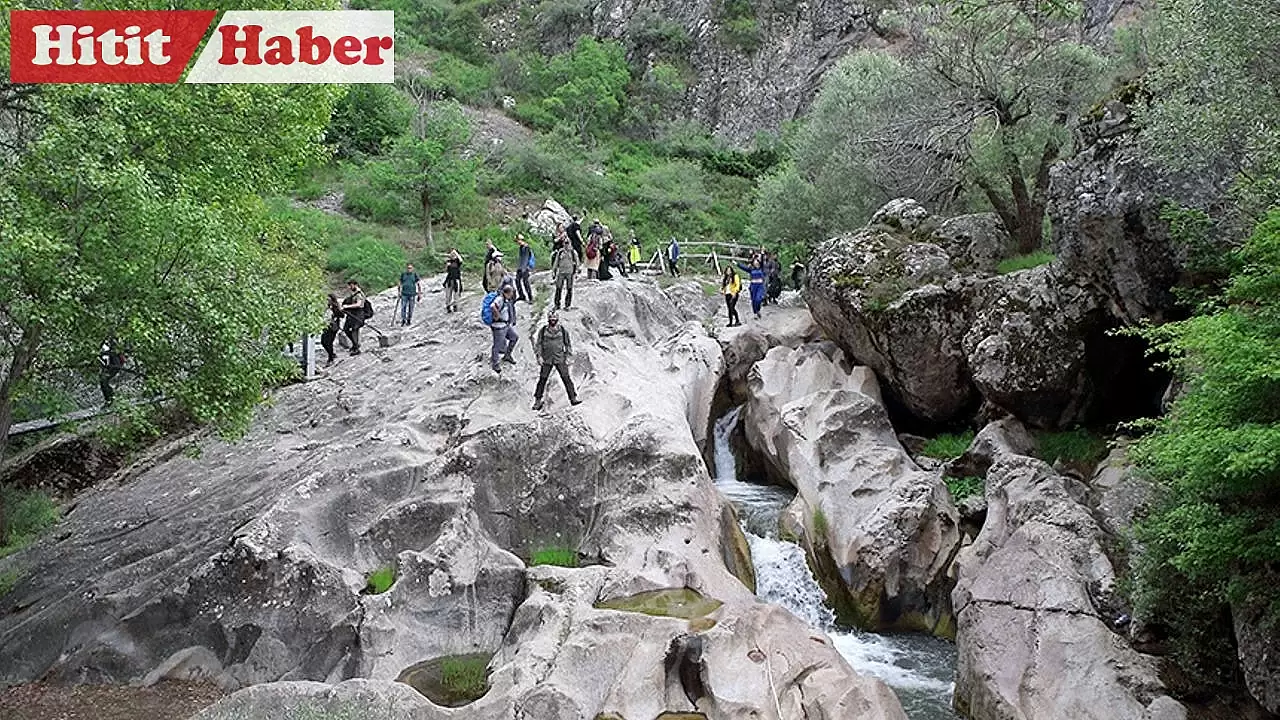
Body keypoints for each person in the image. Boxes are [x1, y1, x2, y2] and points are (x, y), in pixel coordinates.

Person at [531, 310, 582, 410]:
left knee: (566, 378)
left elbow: (567, 344)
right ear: (548, 318)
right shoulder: (543, 330)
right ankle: (537, 401)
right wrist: (539, 356)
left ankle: (573, 398)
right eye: (551, 317)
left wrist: (568, 356)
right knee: (542, 379)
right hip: (547, 358)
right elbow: (539, 344)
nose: (553, 319)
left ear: (557, 319)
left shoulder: (562, 330)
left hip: (560, 358)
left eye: (554, 317)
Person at [489, 285, 519, 373]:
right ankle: (495, 364)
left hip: (505, 325)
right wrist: (497, 315)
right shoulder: (500, 299)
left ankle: (507, 355)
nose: (513, 294)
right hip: (498, 327)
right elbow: (492, 306)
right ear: (508, 293)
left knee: (514, 338)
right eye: (512, 292)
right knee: (497, 346)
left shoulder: (506, 300)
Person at [341, 279, 366, 355]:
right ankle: (354, 344)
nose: (349, 287)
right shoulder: (353, 293)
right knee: (346, 329)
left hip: (358, 314)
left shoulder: (359, 294)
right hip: (352, 314)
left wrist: (347, 307)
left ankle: (356, 348)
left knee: (355, 330)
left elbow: (359, 304)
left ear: (355, 285)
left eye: (351, 285)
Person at [552, 237, 577, 310]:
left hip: (570, 273)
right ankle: (557, 304)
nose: (566, 245)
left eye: (568, 243)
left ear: (570, 243)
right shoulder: (560, 252)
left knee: (569, 289)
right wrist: (554, 271)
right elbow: (556, 262)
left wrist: (577, 271)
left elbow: (576, 261)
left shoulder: (573, 252)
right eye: (565, 243)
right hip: (561, 272)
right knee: (558, 288)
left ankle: (567, 305)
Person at [98, 339, 124, 406]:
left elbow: (116, 363)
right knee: (103, 381)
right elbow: (104, 356)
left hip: (114, 368)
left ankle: (110, 398)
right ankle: (109, 398)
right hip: (111, 368)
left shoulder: (114, 352)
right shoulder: (110, 352)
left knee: (104, 381)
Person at [320, 294, 343, 364]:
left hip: (333, 327)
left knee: (328, 342)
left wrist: (335, 312)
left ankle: (331, 358)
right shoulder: (327, 307)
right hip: (326, 326)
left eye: (328, 300)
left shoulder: (335, 307)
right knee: (324, 341)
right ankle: (331, 354)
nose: (327, 301)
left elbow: (341, 315)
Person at [515, 234, 535, 303]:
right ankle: (522, 296)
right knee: (517, 280)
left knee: (525, 282)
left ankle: (530, 298)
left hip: (525, 267)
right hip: (521, 267)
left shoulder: (526, 247)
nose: (517, 242)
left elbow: (526, 258)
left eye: (517, 240)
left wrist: (524, 268)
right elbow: (521, 258)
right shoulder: (521, 247)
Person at [443, 249, 463, 313]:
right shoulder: (448, 261)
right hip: (449, 280)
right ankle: (448, 306)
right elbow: (446, 270)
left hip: (456, 279)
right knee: (448, 295)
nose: (452, 255)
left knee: (456, 294)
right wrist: (447, 265)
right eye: (451, 254)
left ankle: (455, 306)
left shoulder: (457, 261)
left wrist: (456, 253)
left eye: (453, 254)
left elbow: (461, 260)